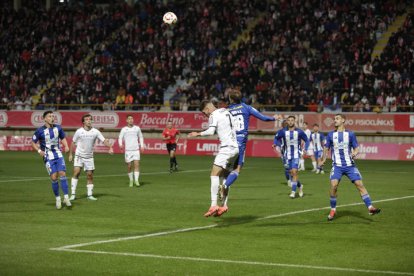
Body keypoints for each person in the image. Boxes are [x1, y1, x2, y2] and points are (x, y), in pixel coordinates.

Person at [319, 114, 381, 221]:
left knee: (359, 184)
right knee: (333, 186)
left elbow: (356, 148)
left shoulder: (350, 134)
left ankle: (370, 207)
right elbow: (326, 148)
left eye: (337, 119)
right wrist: (323, 159)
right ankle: (333, 209)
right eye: (334, 119)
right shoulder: (330, 135)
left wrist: (355, 153)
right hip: (337, 166)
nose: (335, 120)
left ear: (343, 120)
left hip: (350, 166)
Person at [188, 100, 239, 217]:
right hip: (236, 148)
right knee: (225, 176)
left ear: (207, 109)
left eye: (204, 113)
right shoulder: (226, 111)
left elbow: (211, 131)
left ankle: (213, 205)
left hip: (226, 148)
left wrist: (197, 134)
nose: (205, 116)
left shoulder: (213, 115)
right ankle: (224, 205)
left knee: (214, 174)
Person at [224, 88, 280, 189]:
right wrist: (274, 118)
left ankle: (221, 189)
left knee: (226, 167)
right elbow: (263, 118)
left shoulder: (226, 110)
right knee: (237, 168)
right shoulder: (247, 107)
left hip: (228, 142)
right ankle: (225, 186)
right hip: (240, 142)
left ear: (231, 99)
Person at [31, 110, 71, 209]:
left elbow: (63, 138)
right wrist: (39, 151)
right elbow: (33, 142)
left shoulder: (58, 128)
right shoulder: (40, 131)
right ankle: (58, 198)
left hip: (58, 154)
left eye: (53, 116)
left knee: (62, 173)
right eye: (50, 116)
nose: (52, 118)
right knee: (54, 177)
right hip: (48, 156)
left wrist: (66, 146)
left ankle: (66, 197)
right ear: (44, 119)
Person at [69, 114, 113, 201]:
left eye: (90, 119)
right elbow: (73, 142)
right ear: (83, 122)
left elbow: (104, 140)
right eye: (87, 119)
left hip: (89, 157)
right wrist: (70, 154)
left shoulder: (95, 131)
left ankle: (90, 195)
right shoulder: (79, 131)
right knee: (76, 173)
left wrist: (110, 147)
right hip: (79, 155)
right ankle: (73, 194)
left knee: (90, 175)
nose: (89, 121)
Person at [273, 115, 309, 199]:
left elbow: (307, 140)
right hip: (287, 155)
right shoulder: (283, 131)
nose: (290, 122)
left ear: (294, 121)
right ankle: (300, 186)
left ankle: (293, 192)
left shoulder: (299, 132)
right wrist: (275, 143)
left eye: (292, 120)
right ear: (287, 122)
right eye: (289, 120)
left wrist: (305, 149)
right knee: (292, 174)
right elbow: (276, 138)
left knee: (295, 172)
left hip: (296, 155)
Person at [118, 114, 144, 187]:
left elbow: (141, 137)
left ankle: (136, 180)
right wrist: (120, 144)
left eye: (132, 119)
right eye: (129, 119)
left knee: (137, 165)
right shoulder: (124, 129)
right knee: (129, 166)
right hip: (128, 151)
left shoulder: (137, 128)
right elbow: (120, 138)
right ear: (127, 120)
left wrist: (142, 146)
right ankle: (131, 180)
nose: (131, 120)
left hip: (136, 150)